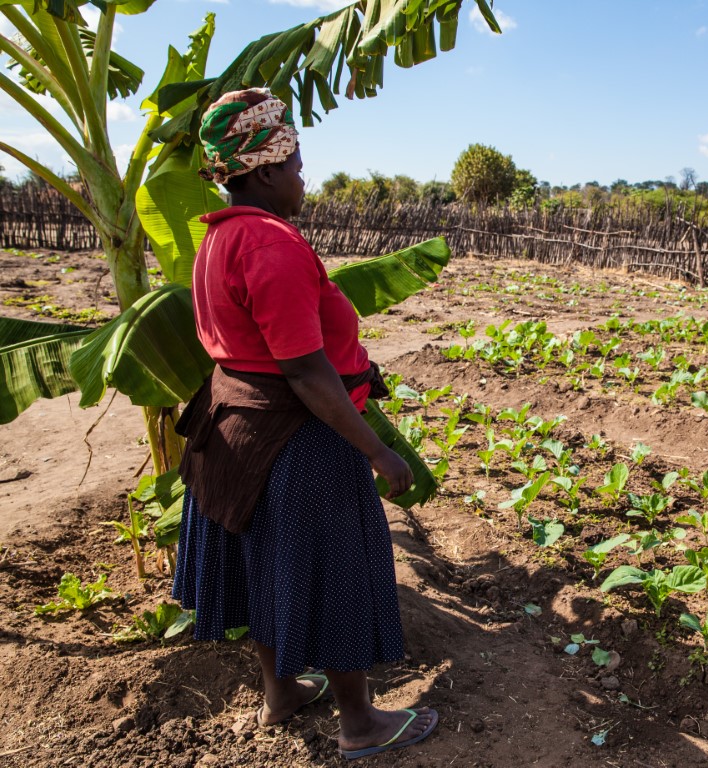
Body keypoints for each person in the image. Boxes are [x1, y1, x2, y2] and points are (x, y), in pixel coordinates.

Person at [171, 88, 438, 761]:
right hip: (295, 439)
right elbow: (306, 372)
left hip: (232, 425)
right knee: (334, 571)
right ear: (262, 172)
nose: (301, 179)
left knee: (266, 565)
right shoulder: (271, 246)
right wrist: (379, 451)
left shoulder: (218, 237)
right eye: (294, 166)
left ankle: (282, 692)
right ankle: (360, 724)